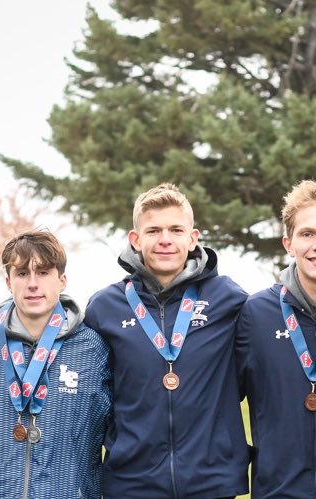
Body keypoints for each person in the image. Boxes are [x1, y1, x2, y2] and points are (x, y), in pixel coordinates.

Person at [82, 183, 250, 497]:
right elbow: (58, 338)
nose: (165, 240)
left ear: (193, 238)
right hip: (132, 482)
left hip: (211, 481)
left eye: (175, 229)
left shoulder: (229, 299)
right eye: (154, 230)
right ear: (135, 239)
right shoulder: (105, 306)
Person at [0, 230, 112, 498]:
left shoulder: (93, 350)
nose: (32, 283)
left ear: (62, 280)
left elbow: (121, 435)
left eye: (43, 272)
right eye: (22, 273)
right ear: (9, 282)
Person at [234, 180, 316, 498]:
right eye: (307, 234)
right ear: (288, 243)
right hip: (277, 491)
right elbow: (218, 405)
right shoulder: (255, 314)